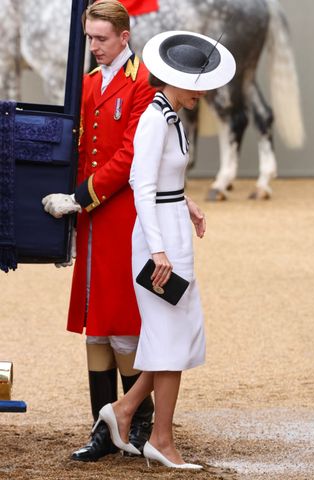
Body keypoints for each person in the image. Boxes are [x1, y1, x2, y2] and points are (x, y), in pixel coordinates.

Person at [90, 31, 236, 468]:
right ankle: (160, 438)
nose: (205, 91)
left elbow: (163, 180)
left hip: (172, 229)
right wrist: (157, 250)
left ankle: (123, 410)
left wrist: (186, 203)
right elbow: (141, 183)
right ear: (181, 82)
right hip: (159, 240)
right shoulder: (156, 118)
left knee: (179, 334)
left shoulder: (171, 114)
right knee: (170, 339)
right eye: (201, 83)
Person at [41, 0, 155, 462]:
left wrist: (79, 196)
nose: (94, 46)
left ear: (124, 38)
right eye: (89, 38)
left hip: (122, 217)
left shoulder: (143, 83)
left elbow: (129, 157)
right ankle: (104, 430)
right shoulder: (88, 83)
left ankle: (138, 425)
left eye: (102, 39)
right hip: (91, 218)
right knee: (95, 327)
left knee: (122, 324)